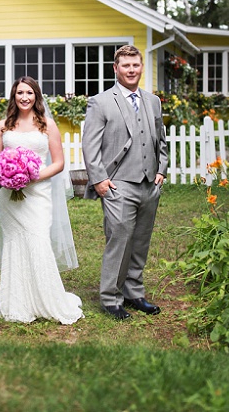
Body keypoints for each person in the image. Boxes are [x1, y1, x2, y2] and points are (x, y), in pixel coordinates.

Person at [82, 45, 168, 320]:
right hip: (117, 184)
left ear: (141, 67)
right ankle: (110, 298)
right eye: (126, 65)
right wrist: (100, 181)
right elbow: (90, 146)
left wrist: (162, 170)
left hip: (148, 184)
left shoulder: (152, 101)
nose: (131, 70)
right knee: (119, 239)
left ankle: (134, 292)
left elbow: (161, 140)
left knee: (141, 241)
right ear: (116, 68)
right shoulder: (101, 102)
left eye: (136, 65)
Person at [0, 76, 83, 324]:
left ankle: (48, 300)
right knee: (15, 245)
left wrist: (30, 176)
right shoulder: (2, 126)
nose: (24, 97)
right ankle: (17, 304)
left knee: (38, 240)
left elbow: (59, 162)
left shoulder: (47, 125)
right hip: (9, 198)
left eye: (29, 93)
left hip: (38, 194)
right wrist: (7, 178)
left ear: (36, 96)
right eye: (20, 92)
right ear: (14, 96)